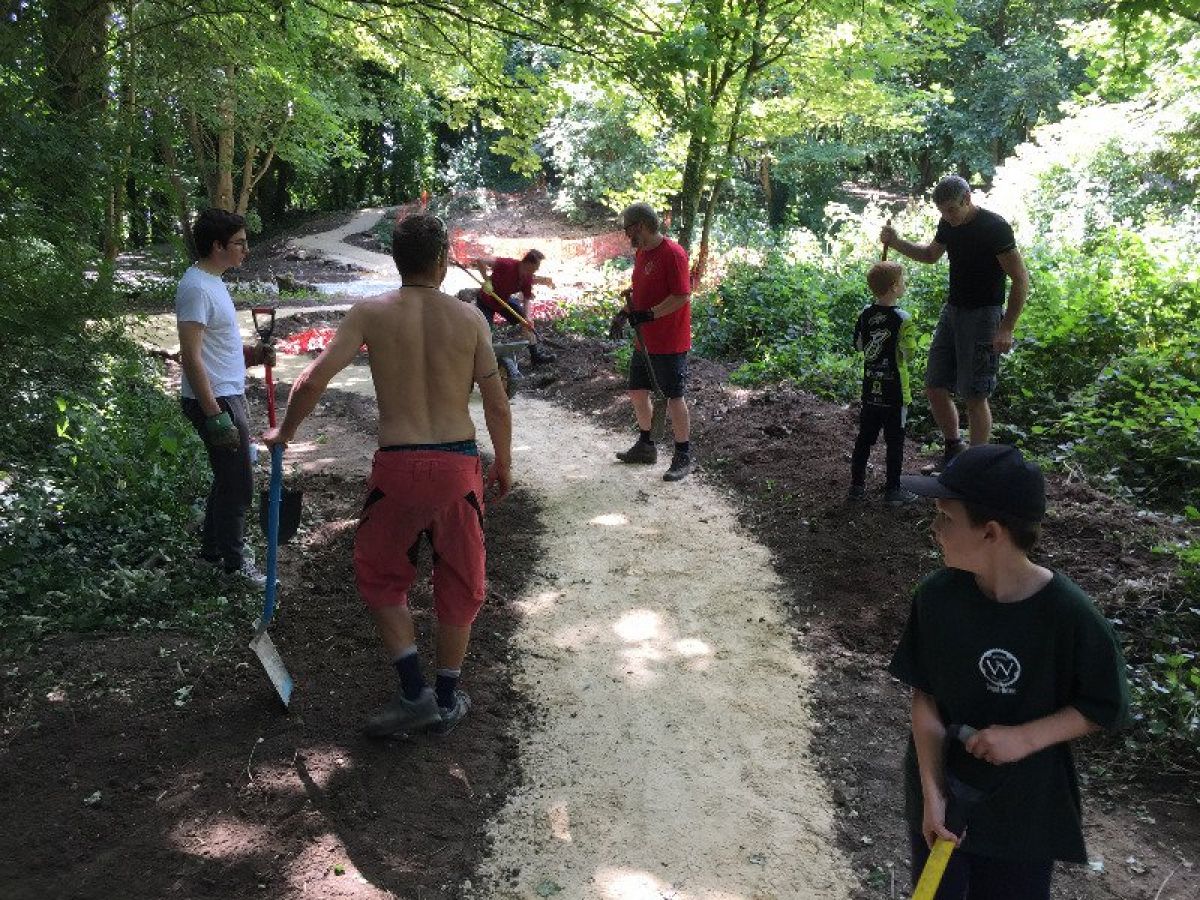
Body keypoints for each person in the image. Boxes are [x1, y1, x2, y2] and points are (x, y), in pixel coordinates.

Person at [263, 214, 513, 737]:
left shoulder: (370, 313)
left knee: (380, 575)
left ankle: (413, 691)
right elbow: (496, 403)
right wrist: (504, 462)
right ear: (443, 261)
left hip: (396, 466)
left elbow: (311, 379)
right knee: (461, 579)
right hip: (456, 467)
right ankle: (445, 699)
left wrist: (285, 433)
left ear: (397, 260)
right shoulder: (470, 321)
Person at [888, 445, 1130, 899]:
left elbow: (1103, 704)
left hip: (1024, 813)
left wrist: (1024, 738)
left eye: (946, 518)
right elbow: (926, 699)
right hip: (942, 801)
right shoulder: (937, 598)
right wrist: (932, 795)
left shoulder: (1069, 615)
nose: (935, 529)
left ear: (991, 533)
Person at [880, 176, 1030, 472]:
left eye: (951, 210)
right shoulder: (948, 224)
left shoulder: (994, 228)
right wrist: (895, 243)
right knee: (935, 385)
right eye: (942, 212)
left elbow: (1021, 279)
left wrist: (1007, 326)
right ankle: (954, 449)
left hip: (985, 315)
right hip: (954, 311)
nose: (947, 217)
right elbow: (930, 255)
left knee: (975, 394)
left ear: (967, 199)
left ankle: (976, 467)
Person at [176, 208, 274, 586]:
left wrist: (253, 355)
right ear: (217, 246)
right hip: (215, 400)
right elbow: (191, 357)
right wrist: (214, 413)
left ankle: (212, 553)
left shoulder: (213, 282)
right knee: (238, 484)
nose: (246, 250)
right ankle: (235, 565)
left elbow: (216, 348)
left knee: (226, 478)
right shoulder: (196, 288)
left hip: (226, 394)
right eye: (239, 243)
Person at [614, 202, 694, 482]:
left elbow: (682, 296)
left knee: (673, 396)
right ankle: (647, 445)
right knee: (637, 392)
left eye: (628, 229)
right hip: (644, 340)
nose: (627, 235)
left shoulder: (673, 254)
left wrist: (649, 315)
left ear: (640, 225)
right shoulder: (641, 254)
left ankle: (684, 454)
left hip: (670, 340)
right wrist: (624, 313)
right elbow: (641, 289)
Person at [849, 260, 917, 505]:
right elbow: (909, 354)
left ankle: (856, 488)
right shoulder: (903, 318)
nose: (905, 285)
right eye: (903, 282)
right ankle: (892, 490)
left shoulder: (865, 315)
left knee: (864, 439)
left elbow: (858, 345)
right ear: (894, 286)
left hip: (870, 391)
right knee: (895, 441)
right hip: (896, 392)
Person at [473, 250, 557, 366]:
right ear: (528, 263)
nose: (537, 270)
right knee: (485, 331)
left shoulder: (527, 278)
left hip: (503, 300)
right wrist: (486, 280)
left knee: (526, 323)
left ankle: (535, 356)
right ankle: (481, 361)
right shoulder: (507, 264)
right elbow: (480, 260)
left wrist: (527, 317)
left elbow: (527, 299)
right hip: (486, 300)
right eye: (536, 266)